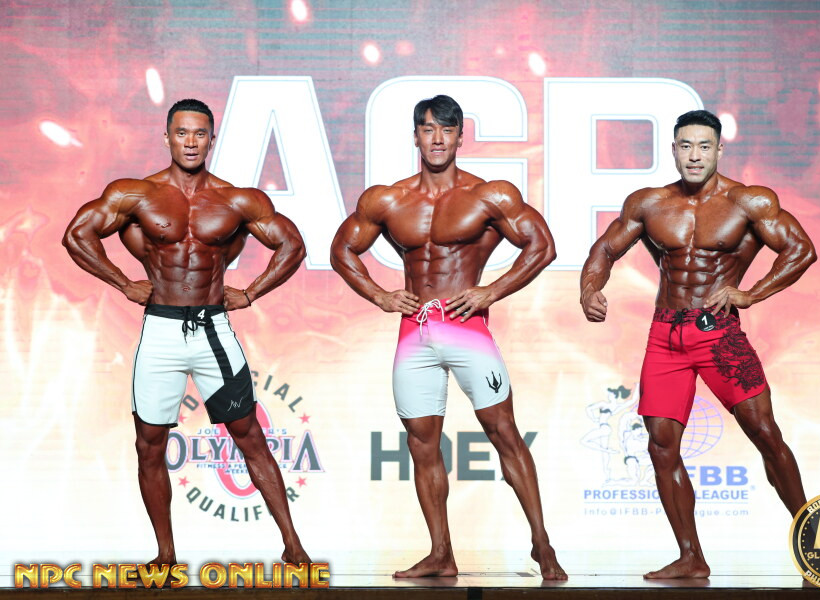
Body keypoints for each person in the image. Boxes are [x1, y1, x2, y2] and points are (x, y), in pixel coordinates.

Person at [62, 99, 310, 567]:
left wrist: (251, 292)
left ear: (211, 140)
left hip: (213, 329)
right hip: (161, 329)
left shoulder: (237, 199)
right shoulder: (136, 194)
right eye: (181, 133)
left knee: (249, 435)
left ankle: (294, 547)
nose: (190, 142)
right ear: (167, 138)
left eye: (199, 134)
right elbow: (77, 234)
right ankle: (165, 555)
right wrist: (123, 282)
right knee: (149, 442)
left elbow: (292, 245)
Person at [330, 95, 566, 580]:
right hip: (414, 332)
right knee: (422, 444)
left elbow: (542, 246)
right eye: (427, 129)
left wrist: (491, 291)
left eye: (446, 129)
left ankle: (542, 544)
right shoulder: (387, 200)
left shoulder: (489, 195)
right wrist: (379, 295)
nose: (437, 138)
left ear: (460, 137)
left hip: (466, 328)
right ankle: (441, 552)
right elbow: (341, 250)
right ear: (415, 136)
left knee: (503, 432)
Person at [580, 109, 816, 578]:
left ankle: (814, 542)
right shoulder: (649, 203)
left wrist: (751, 293)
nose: (694, 155)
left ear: (719, 150)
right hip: (665, 335)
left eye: (704, 146)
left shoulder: (748, 201)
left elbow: (801, 250)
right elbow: (605, 249)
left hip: (719, 334)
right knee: (660, 444)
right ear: (673, 150)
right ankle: (691, 557)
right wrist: (589, 288)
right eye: (686, 146)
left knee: (764, 432)